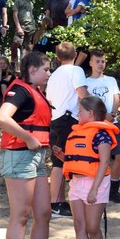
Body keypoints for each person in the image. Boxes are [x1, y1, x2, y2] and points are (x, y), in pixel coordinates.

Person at [0, 51, 57, 239]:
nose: (49, 74)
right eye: (46, 69)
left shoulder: (36, 91)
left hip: (36, 157)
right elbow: (2, 118)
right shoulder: (20, 90)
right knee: (20, 215)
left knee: (43, 212)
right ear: (32, 69)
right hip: (19, 156)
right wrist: (28, 138)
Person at [55, 95, 118, 239]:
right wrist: (61, 156)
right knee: (79, 226)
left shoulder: (102, 134)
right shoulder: (76, 132)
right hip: (76, 183)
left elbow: (104, 162)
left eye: (80, 110)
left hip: (95, 183)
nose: (77, 113)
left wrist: (94, 189)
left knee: (92, 227)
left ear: (90, 113)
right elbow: (76, 160)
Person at [46, 42, 90, 218]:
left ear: (57, 58)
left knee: (60, 160)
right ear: (75, 54)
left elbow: (50, 100)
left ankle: (59, 201)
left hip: (55, 118)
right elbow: (83, 94)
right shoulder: (76, 71)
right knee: (60, 162)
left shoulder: (53, 75)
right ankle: (55, 204)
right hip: (68, 119)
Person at [85, 49, 120, 203]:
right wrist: (101, 116)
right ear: (91, 63)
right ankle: (94, 189)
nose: (100, 64)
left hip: (111, 123)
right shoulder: (86, 82)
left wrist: (113, 114)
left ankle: (113, 189)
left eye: (103, 61)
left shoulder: (111, 80)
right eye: (97, 61)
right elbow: (86, 104)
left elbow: (116, 98)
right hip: (95, 125)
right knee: (97, 157)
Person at [12, 0, 38, 65]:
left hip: (31, 28)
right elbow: (15, 15)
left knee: (28, 48)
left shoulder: (31, 3)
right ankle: (13, 63)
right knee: (16, 43)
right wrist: (18, 27)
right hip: (21, 27)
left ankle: (26, 64)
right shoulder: (19, 1)